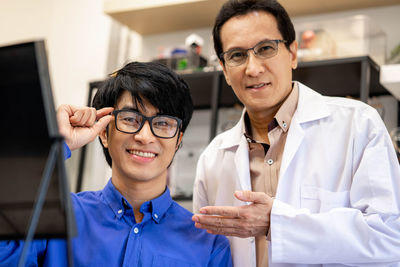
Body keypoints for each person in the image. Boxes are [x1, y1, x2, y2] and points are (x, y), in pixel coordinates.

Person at [191, 0, 400, 266]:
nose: (253, 69)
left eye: (265, 49)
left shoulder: (358, 124)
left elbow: (390, 237)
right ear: (225, 70)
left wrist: (276, 223)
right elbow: (207, 254)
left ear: (293, 54)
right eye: (237, 55)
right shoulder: (212, 158)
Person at [0, 61, 232, 266]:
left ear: (178, 140)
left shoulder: (208, 244)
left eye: (162, 123)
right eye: (130, 119)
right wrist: (57, 145)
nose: (145, 136)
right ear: (103, 133)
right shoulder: (58, 216)